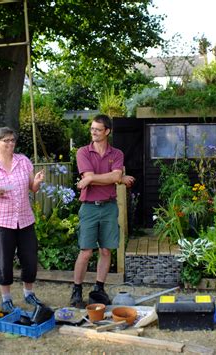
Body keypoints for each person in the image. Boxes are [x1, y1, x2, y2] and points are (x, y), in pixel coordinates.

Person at [70, 114, 135, 307]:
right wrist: (115, 178)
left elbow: (113, 175)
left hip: (109, 206)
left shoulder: (117, 154)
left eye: (98, 130)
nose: (93, 133)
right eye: (92, 129)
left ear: (107, 131)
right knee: (86, 252)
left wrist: (91, 180)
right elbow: (111, 177)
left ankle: (99, 288)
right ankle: (77, 289)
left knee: (106, 250)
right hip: (89, 207)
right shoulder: (83, 152)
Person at [0, 126, 45, 313]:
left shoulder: (23, 161)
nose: (10, 144)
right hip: (2, 221)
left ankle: (29, 293)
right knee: (4, 260)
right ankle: (6, 298)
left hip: (24, 219)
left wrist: (37, 182)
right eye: (5, 140)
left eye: (12, 140)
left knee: (30, 259)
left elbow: (33, 187)